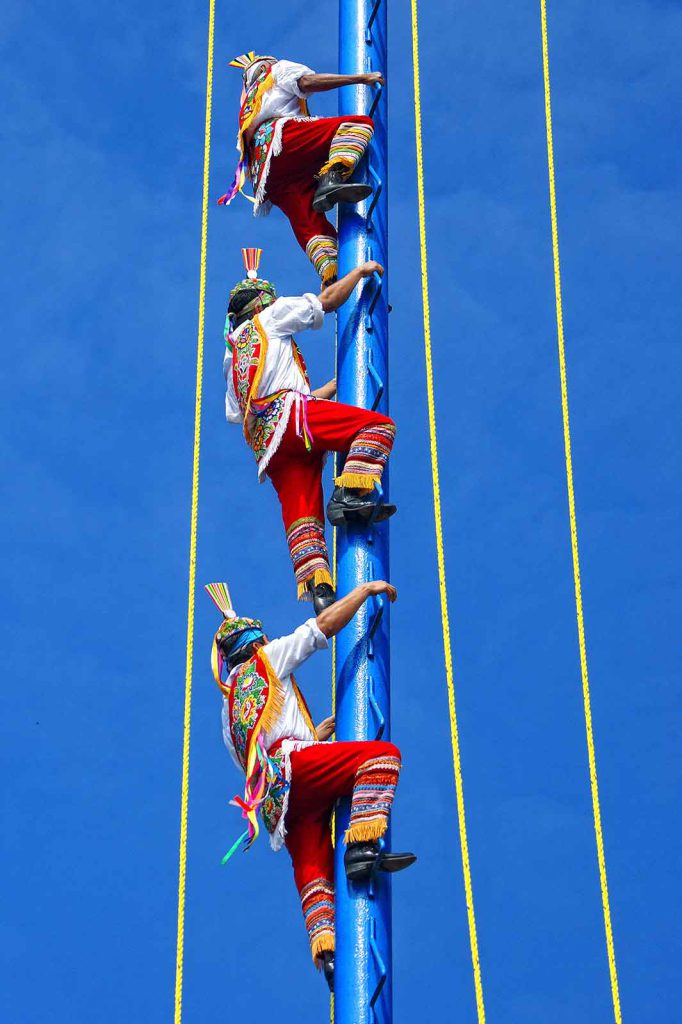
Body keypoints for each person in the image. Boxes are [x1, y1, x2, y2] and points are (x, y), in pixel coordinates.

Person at [205, 580, 416, 991]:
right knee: (380, 756)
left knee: (314, 873)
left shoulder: (228, 714)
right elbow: (320, 627)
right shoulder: (267, 661)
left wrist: (313, 740)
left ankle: (329, 954)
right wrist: (364, 591)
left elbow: (254, 756)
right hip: (296, 770)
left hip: (275, 805)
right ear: (255, 641)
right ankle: (363, 847)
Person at [224, 248, 397, 612]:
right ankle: (350, 493)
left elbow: (245, 410)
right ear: (261, 302)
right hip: (294, 420)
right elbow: (327, 301)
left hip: (269, 449)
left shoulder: (234, 355)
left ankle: (320, 590)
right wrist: (359, 271)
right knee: (376, 427)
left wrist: (327, 391)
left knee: (304, 518)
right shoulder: (271, 318)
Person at [218, 52, 384, 284]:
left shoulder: (249, 103)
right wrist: (359, 78)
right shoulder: (276, 71)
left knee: (310, 224)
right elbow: (305, 82)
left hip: (267, 178)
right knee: (356, 125)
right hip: (283, 143)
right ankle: (332, 177)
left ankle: (333, 277)